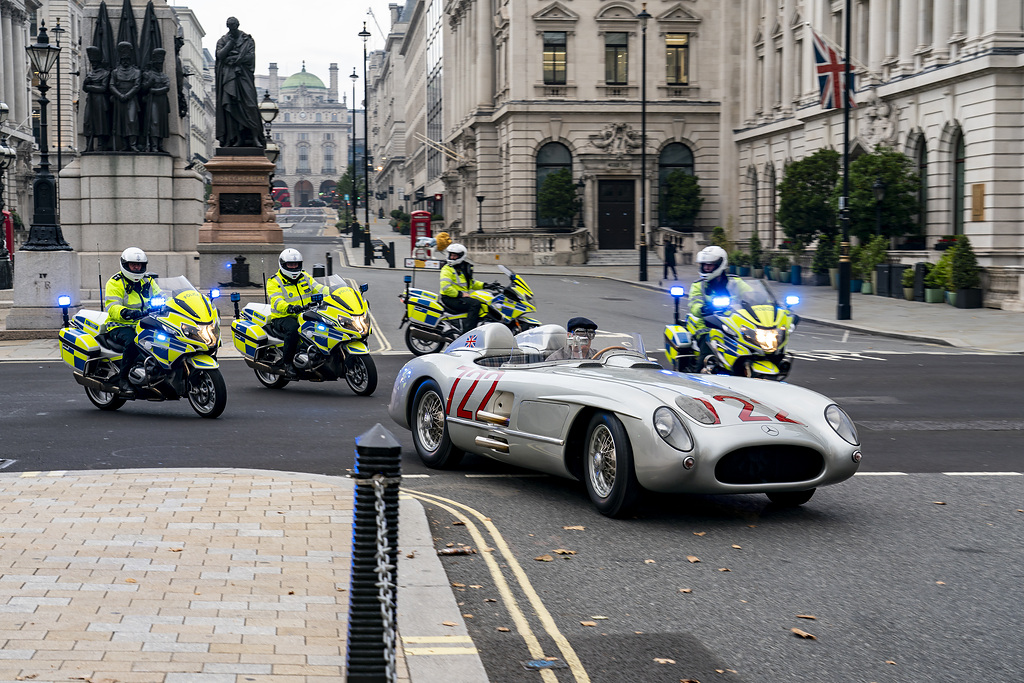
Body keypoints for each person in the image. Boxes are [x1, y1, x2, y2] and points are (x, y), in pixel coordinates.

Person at [104, 247, 160, 396]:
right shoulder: (115, 282)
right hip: (120, 325)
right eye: (133, 264)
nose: (136, 267)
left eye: (139, 265)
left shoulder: (148, 280)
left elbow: (162, 296)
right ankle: (123, 380)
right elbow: (111, 307)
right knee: (134, 341)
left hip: (146, 322)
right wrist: (125, 312)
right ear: (125, 264)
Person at [688, 246, 752, 369]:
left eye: (710, 265)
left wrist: (766, 302)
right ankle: (697, 377)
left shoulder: (735, 282)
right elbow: (694, 304)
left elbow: (751, 294)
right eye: (704, 265)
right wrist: (702, 308)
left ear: (720, 265)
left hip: (734, 326)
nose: (706, 268)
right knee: (707, 352)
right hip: (707, 327)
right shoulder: (698, 286)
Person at [265, 248, 328, 374]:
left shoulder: (304, 276)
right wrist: (289, 307)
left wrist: (334, 293)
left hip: (306, 313)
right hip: (283, 316)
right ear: (283, 265)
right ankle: (287, 363)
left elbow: (318, 288)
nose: (294, 267)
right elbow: (276, 300)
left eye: (296, 264)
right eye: (290, 264)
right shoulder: (274, 281)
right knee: (293, 329)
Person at [215, 17, 264, 148]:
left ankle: (255, 137)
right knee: (231, 106)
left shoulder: (247, 40)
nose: (232, 28)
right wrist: (230, 45)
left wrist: (234, 59)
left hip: (243, 76)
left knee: (251, 105)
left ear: (237, 25)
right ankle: (237, 138)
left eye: (233, 26)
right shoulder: (223, 40)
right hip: (229, 77)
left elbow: (250, 57)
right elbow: (220, 56)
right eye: (229, 26)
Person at [439, 243, 490, 334]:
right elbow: (446, 288)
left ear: (461, 256)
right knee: (475, 304)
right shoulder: (447, 269)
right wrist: (461, 294)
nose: (452, 257)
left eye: (454, 255)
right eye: (451, 255)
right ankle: (467, 333)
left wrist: (486, 285)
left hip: (458, 297)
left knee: (484, 302)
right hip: (450, 298)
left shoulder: (462, 268)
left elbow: (471, 283)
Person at [109, 41, 142, 152]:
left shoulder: (136, 72)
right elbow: (111, 85)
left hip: (131, 98)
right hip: (119, 99)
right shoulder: (115, 72)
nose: (125, 62)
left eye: (127, 60)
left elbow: (137, 85)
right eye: (124, 60)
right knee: (120, 122)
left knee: (132, 121)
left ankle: (133, 144)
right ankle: (124, 145)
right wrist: (119, 95)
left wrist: (127, 95)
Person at [140, 48, 171, 153]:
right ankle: (153, 145)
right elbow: (143, 88)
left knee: (162, 124)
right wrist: (149, 83)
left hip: (162, 101)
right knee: (154, 122)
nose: (159, 65)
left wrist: (154, 90)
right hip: (152, 101)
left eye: (161, 63)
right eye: (158, 63)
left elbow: (167, 87)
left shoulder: (164, 75)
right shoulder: (147, 74)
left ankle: (160, 144)